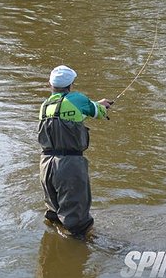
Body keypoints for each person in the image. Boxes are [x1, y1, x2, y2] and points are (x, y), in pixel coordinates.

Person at [37, 65, 113, 238]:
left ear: (50, 84)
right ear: (71, 84)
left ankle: (53, 249)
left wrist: (92, 105)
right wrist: (100, 106)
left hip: (45, 165)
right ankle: (82, 251)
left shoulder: (45, 106)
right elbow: (97, 112)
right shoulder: (77, 98)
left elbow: (65, 113)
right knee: (77, 222)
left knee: (54, 214)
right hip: (69, 165)